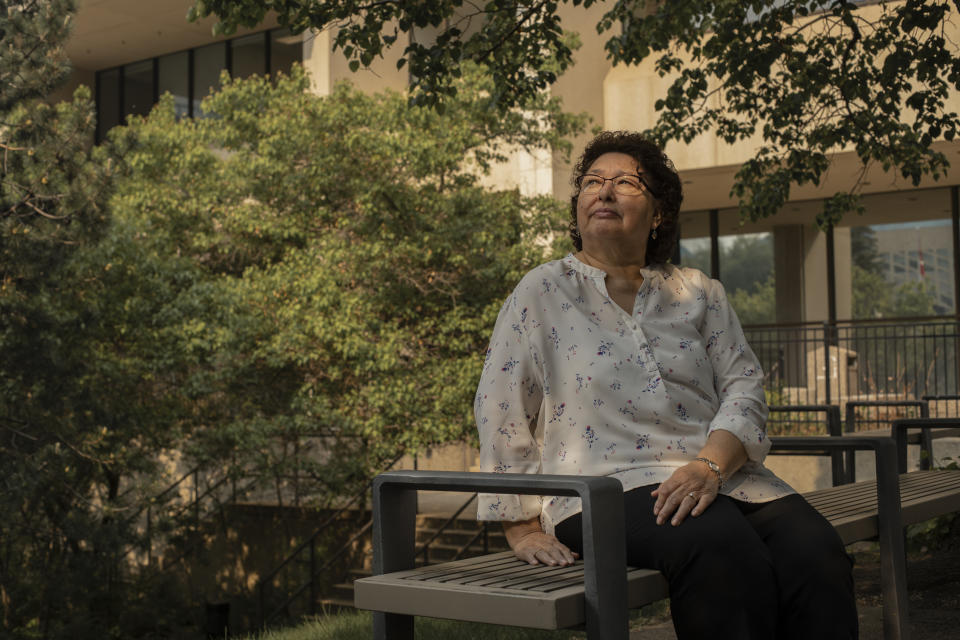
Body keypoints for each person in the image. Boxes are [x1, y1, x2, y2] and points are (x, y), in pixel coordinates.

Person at [475, 131, 858, 639]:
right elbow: (500, 406)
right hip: (604, 489)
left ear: (658, 214)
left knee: (816, 551)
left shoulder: (697, 291)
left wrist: (710, 466)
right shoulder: (541, 291)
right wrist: (520, 526)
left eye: (624, 183)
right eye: (593, 181)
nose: (604, 191)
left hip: (721, 477)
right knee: (722, 551)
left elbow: (744, 388)